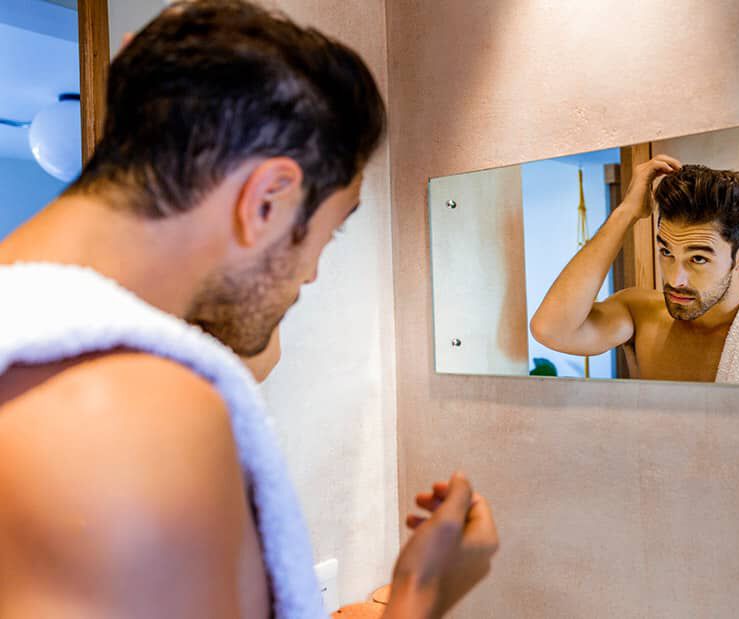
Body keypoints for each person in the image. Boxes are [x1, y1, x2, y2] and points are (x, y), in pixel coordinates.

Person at [0, 2, 496, 618]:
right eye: (328, 233)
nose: (310, 274)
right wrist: (423, 596)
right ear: (267, 199)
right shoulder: (133, 414)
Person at [531, 156, 739, 387]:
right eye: (666, 252)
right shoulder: (640, 314)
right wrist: (627, 212)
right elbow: (551, 329)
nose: (674, 279)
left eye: (698, 259)